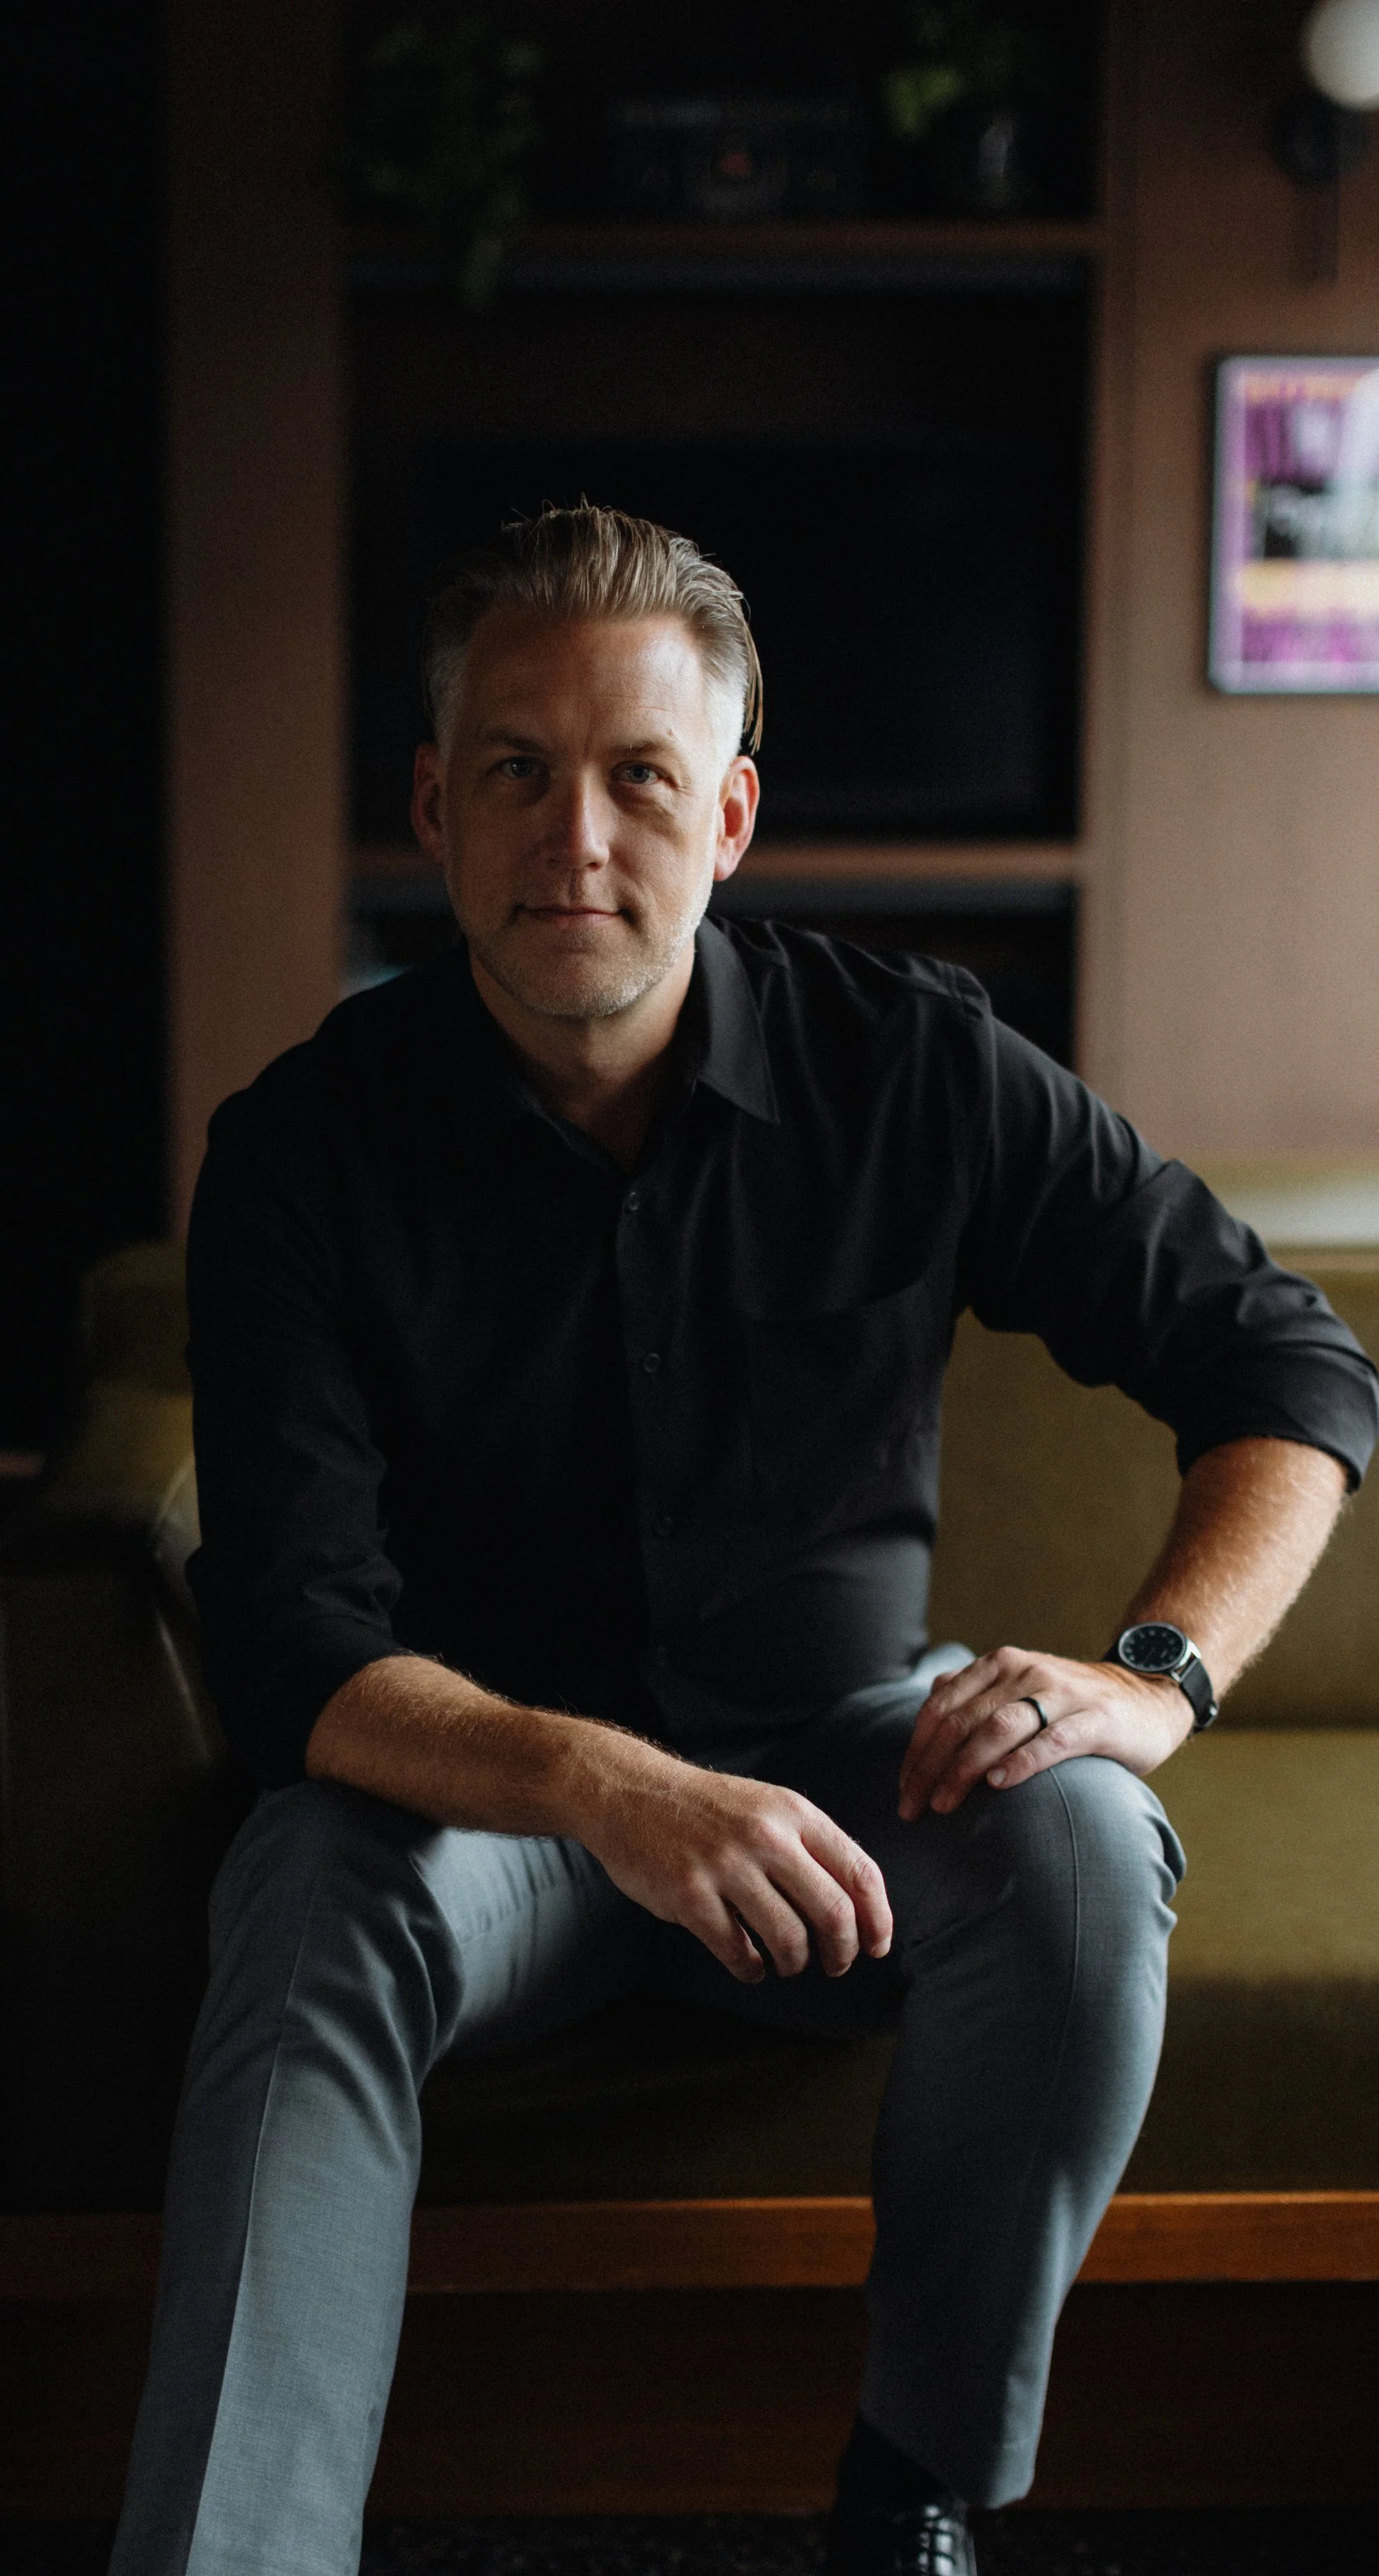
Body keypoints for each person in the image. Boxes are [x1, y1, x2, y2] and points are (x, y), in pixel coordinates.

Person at [110, 505, 1376, 2576]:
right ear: (433, 804)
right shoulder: (301, 1147)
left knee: (1074, 1833)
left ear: (731, 812)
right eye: (514, 768)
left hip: (844, 1778)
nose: (575, 837)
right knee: (303, 1888)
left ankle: (915, 2499)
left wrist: (1150, 1681)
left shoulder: (916, 1069)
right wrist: (602, 1783)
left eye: (637, 776)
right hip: (479, 1814)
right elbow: (288, 1644)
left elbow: (1285, 1369)